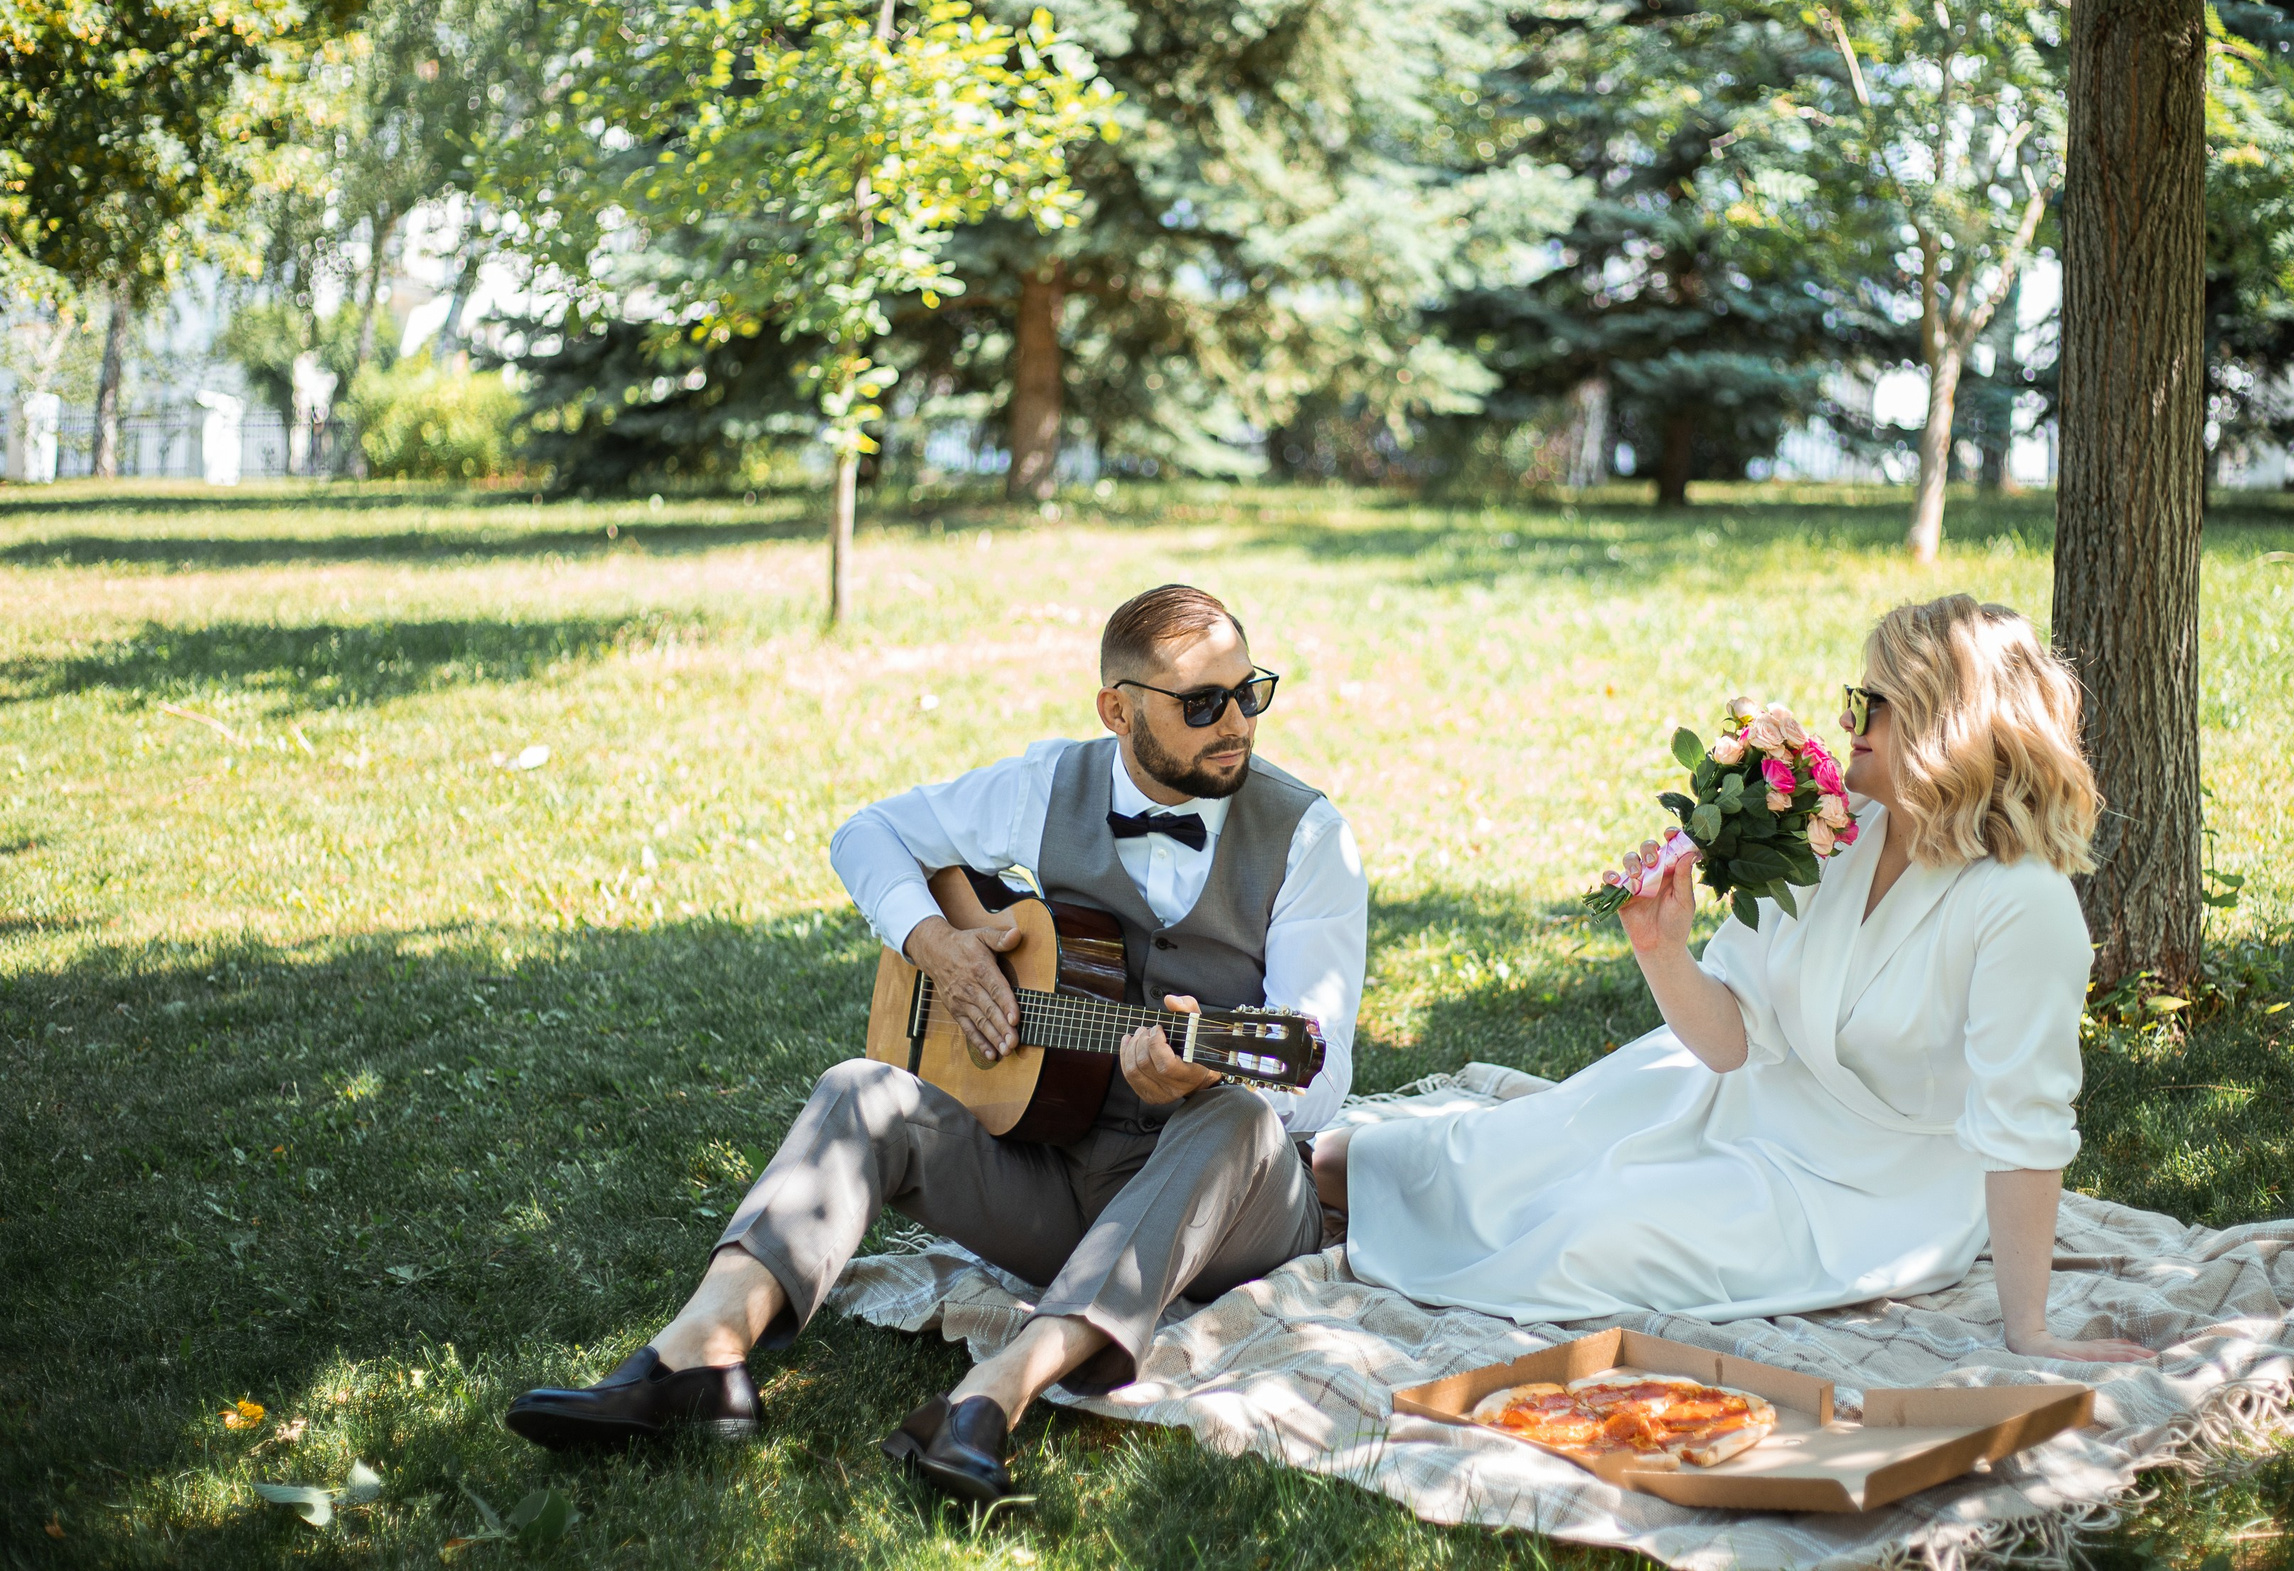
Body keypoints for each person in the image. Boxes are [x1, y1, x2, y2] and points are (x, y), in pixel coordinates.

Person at [505, 585, 1367, 1498]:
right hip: (1060, 1183)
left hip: (1235, 1207)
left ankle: (992, 1394)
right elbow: (867, 832)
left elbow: (1321, 1068)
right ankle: (701, 1358)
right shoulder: (1046, 786)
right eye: (1201, 704)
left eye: (1250, 691)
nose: (1235, 721)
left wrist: (1193, 1076)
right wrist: (940, 947)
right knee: (859, 1087)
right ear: (1117, 709)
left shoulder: (1309, 836)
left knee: (1234, 1113)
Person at [1312, 594, 2156, 1363]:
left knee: (1590, 1230)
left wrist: (2029, 1330)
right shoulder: (1843, 832)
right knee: (1447, 1158)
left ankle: (1323, 1203)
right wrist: (1662, 947)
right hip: (1735, 1097)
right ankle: (1278, 1167)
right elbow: (1728, 1042)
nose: (1846, 718)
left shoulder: (2021, 905)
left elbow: (2024, 1127)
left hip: (1863, 1190)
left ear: (1945, 720)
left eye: (1872, 702)